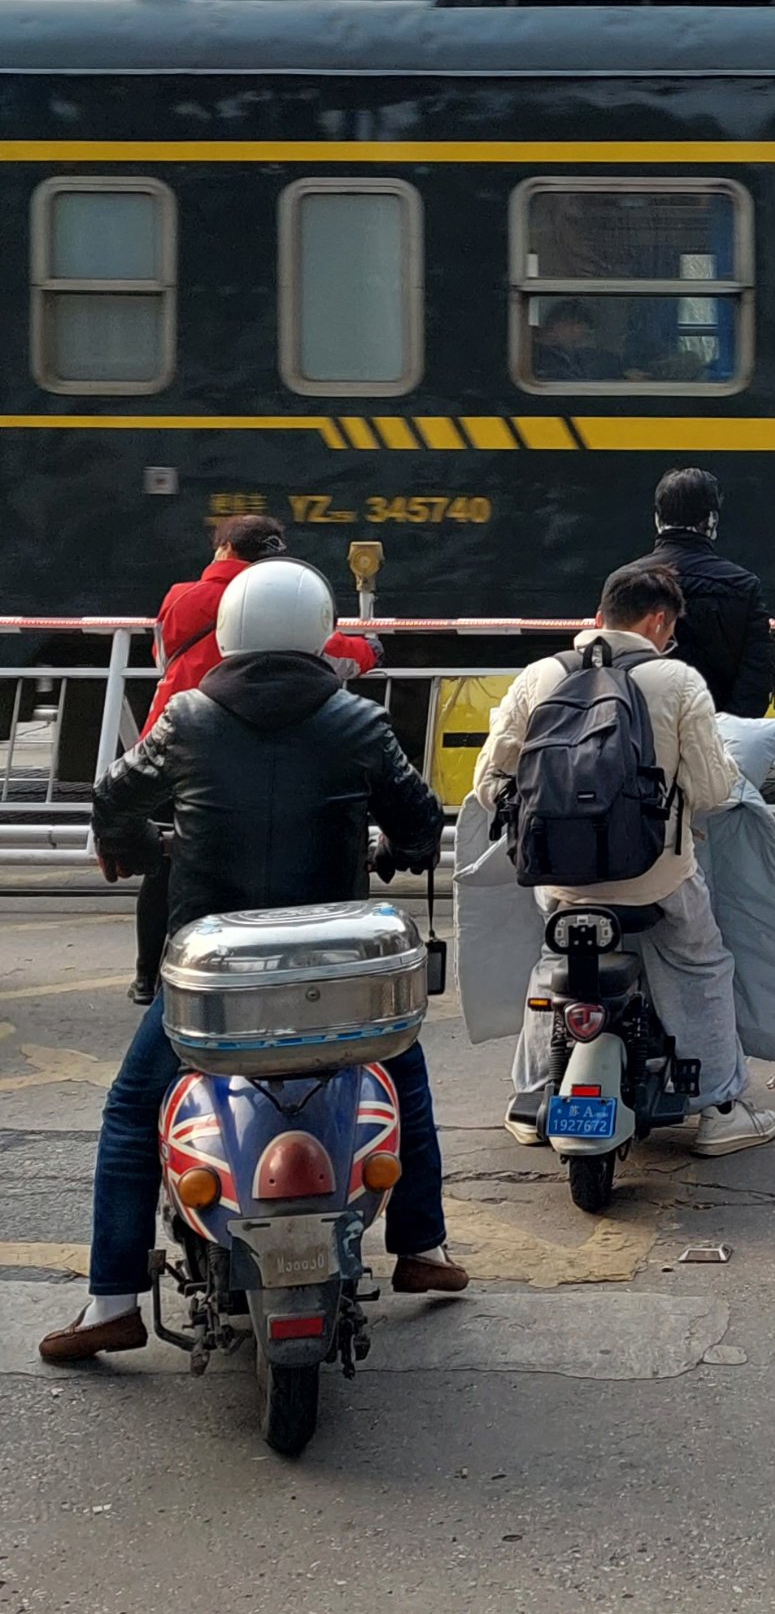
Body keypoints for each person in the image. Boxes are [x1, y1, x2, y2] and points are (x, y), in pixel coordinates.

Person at [41, 558, 464, 1366]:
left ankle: (112, 1299)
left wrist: (134, 850)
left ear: (229, 630)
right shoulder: (358, 723)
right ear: (319, 631)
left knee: (134, 1112)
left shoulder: (189, 717)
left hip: (215, 980)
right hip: (331, 975)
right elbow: (421, 821)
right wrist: (389, 849)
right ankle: (419, 1247)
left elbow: (113, 798)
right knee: (404, 1080)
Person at [475, 561, 775, 1155]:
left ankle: (533, 1095)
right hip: (653, 880)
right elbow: (715, 791)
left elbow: (490, 781)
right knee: (702, 964)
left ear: (601, 613)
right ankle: (720, 1106)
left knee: (551, 960)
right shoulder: (678, 681)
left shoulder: (540, 675)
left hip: (559, 882)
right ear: (659, 620)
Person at [123, 513, 290, 1005]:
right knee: (235, 859)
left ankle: (146, 976)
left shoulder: (179, 596)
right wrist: (368, 652)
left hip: (164, 736)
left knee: (164, 864)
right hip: (224, 745)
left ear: (224, 549)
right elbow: (319, 651)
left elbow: (163, 656)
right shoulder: (265, 598)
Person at [614, 469, 775, 716]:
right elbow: (756, 678)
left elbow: (611, 669)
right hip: (716, 733)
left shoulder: (621, 583)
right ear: (711, 520)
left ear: (657, 519)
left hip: (640, 734)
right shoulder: (744, 586)